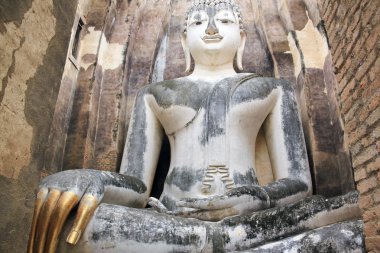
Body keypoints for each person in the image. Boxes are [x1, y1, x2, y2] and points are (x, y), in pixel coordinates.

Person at [28, 1, 312, 252]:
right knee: (73, 227)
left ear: (242, 36)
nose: (211, 29)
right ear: (185, 40)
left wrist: (259, 198)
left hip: (252, 224)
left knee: (347, 223)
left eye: (225, 21)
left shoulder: (274, 90)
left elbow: (300, 184)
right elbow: (138, 188)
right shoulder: (155, 94)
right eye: (199, 22)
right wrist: (96, 181)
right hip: (171, 223)